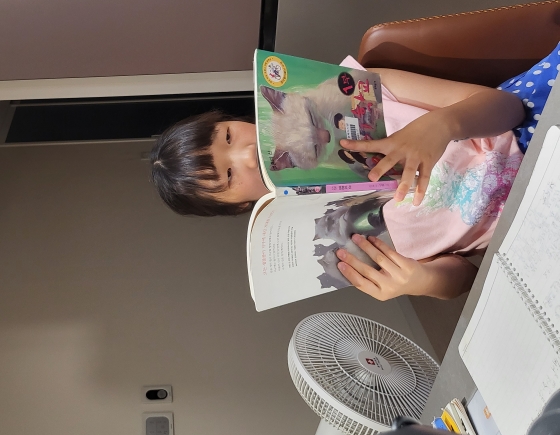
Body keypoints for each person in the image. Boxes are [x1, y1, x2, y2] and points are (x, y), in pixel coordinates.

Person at [150, 43, 560, 300]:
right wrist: (421, 282)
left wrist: (442, 126)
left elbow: (510, 108)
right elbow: (465, 275)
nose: (245, 154)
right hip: (534, 230)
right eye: (227, 176)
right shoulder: (338, 237)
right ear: (243, 207)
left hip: (535, 131)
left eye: (227, 136)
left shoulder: (352, 90)